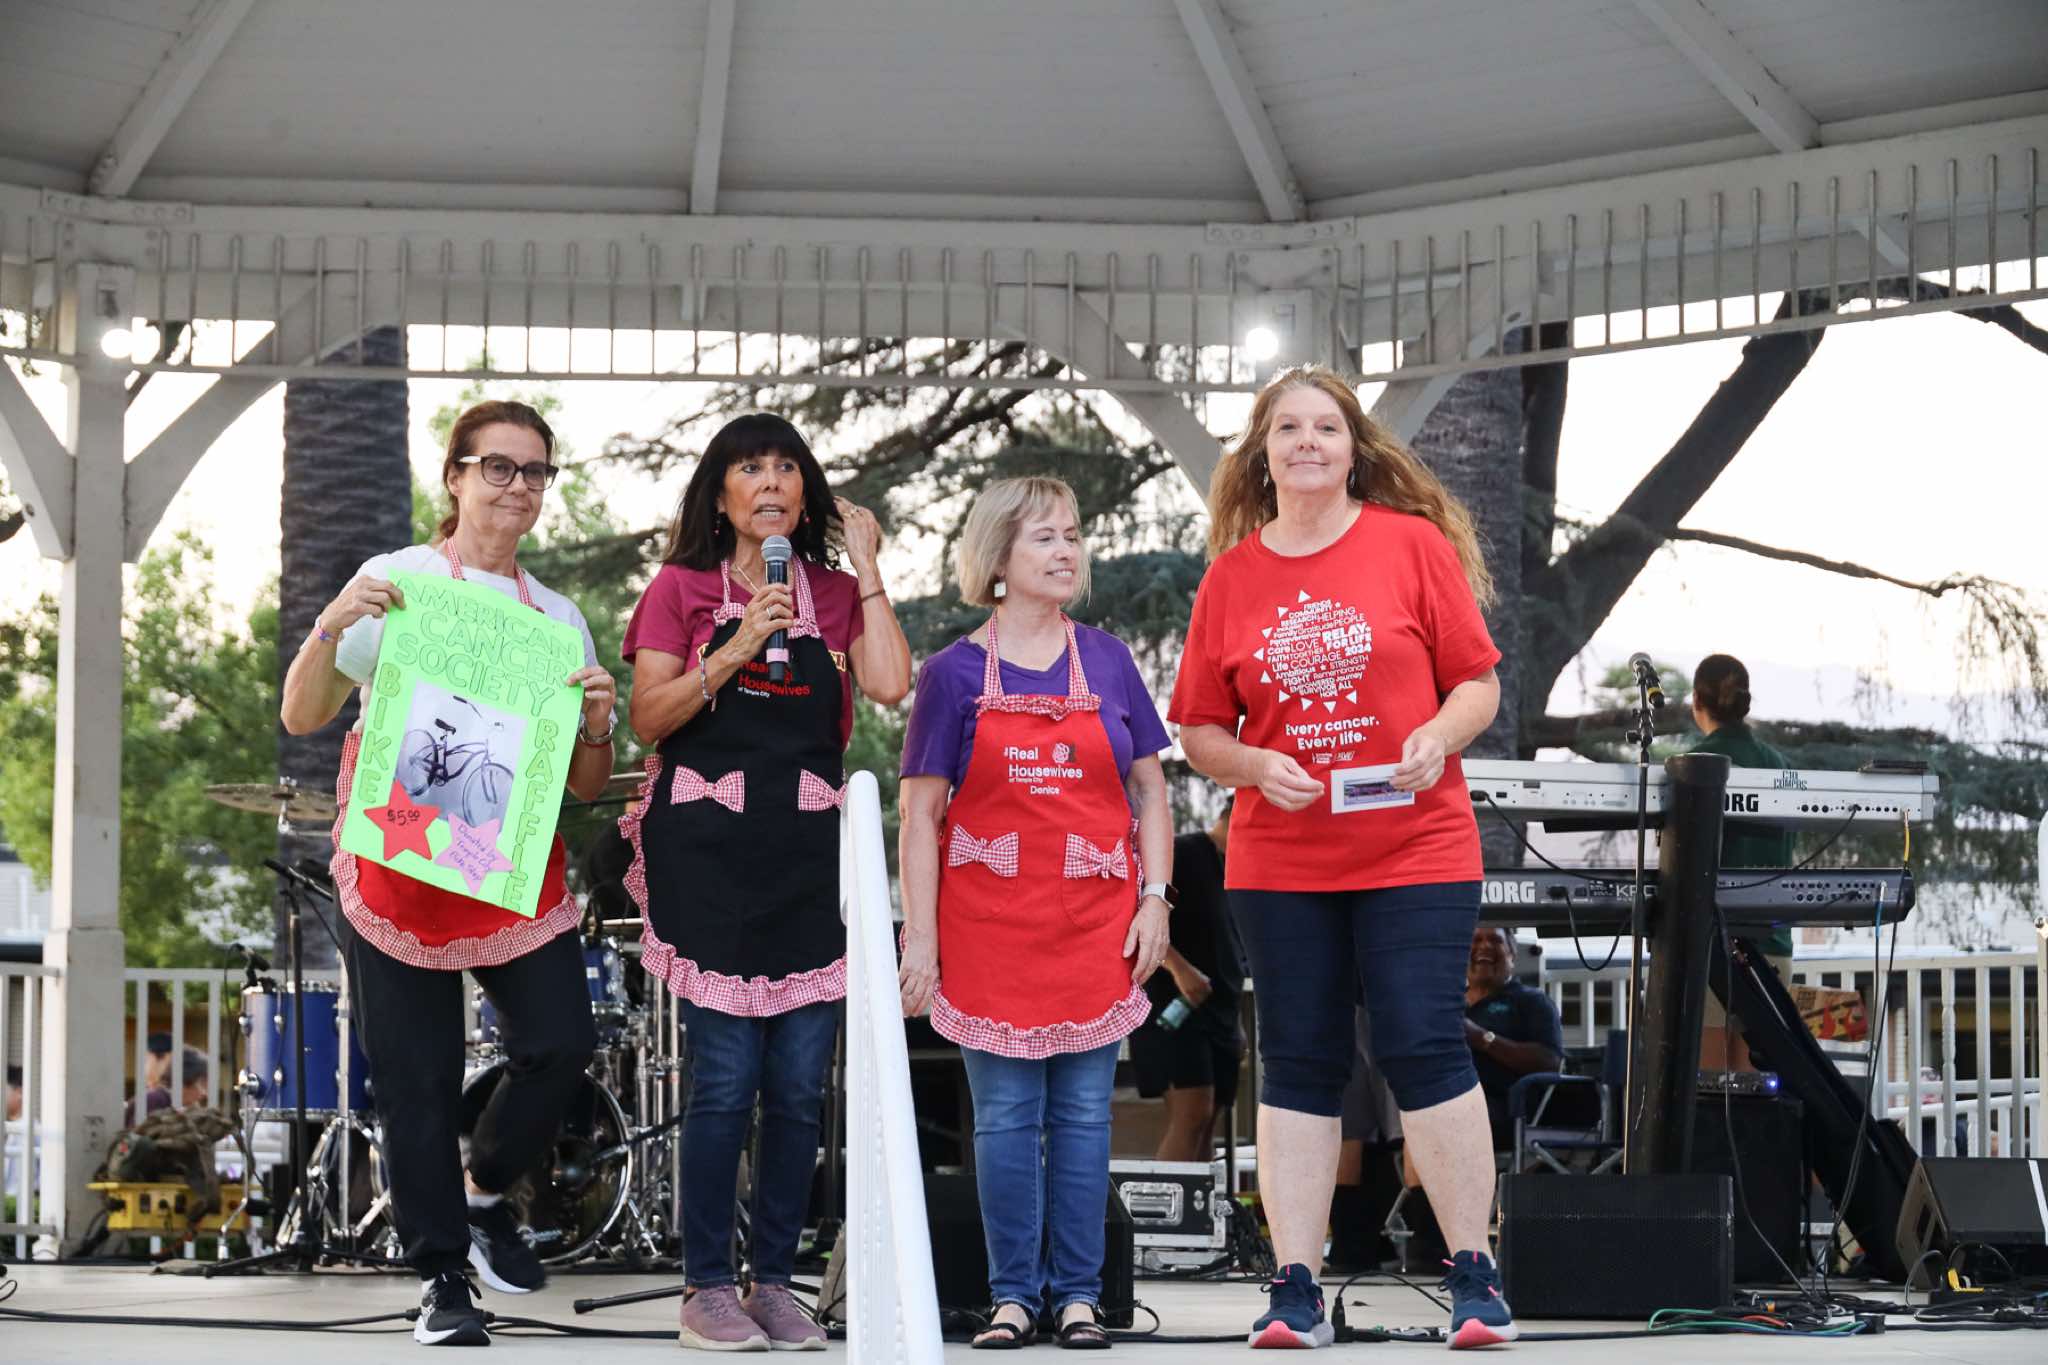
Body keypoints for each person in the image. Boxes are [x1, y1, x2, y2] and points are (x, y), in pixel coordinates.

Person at [1169, 364, 1517, 1349]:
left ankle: (1475, 1275)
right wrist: (1252, 763)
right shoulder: (1231, 578)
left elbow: (1477, 684)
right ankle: (1294, 1286)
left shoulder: (1409, 546)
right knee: (1297, 1058)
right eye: (1287, 429)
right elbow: (1199, 729)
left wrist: (1436, 737)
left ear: (1354, 448)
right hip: (1281, 861)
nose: (1307, 443)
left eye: (1325, 427)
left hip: (1417, 846)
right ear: (1262, 454)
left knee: (1421, 1042)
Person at [282, 398, 616, 1347]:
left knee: (561, 1040)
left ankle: (483, 1190)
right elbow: (303, 714)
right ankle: (440, 1277)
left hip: (506, 865)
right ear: (456, 477)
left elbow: (583, 783)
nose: (518, 486)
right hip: (401, 859)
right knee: (416, 1080)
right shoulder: (399, 583)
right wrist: (330, 624)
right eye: (497, 466)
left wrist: (598, 721)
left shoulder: (557, 621)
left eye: (535, 471)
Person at [621, 412, 910, 1351]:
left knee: (795, 1088)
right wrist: (738, 644)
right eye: (751, 467)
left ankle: (775, 1282)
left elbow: (890, 684)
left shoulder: (835, 590)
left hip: (807, 860)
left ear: (806, 492)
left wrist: (868, 567)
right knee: (725, 1081)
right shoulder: (679, 589)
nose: (773, 481)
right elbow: (648, 718)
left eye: (787, 466)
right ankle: (706, 1285)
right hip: (709, 858)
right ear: (722, 496)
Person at [897, 476, 1172, 1350]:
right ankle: (1013, 1297)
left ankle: (1080, 1296)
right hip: (988, 931)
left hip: (1096, 924)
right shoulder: (949, 675)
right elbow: (918, 816)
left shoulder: (1111, 660)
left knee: (1086, 1120)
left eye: (1073, 535)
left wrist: (1156, 899)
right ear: (998, 557)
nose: (1066, 551)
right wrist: (921, 939)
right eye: (1045, 536)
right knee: (1007, 1120)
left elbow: (1151, 793)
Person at [1688, 652, 1798, 1072]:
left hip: (1709, 945)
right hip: (1773, 945)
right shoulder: (1781, 765)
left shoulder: (1696, 765)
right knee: (1761, 1083)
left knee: (1710, 1083)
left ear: (1697, 701)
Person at [1128, 807, 1246, 1163]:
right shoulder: (1182, 853)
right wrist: (1178, 968)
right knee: (1192, 1114)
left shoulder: (1235, 868)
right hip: (1174, 1007)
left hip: (1221, 1011)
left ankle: (1199, 1200)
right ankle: (1166, 1201)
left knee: (1207, 1121)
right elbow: (1138, 915)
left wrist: (1236, 1021)